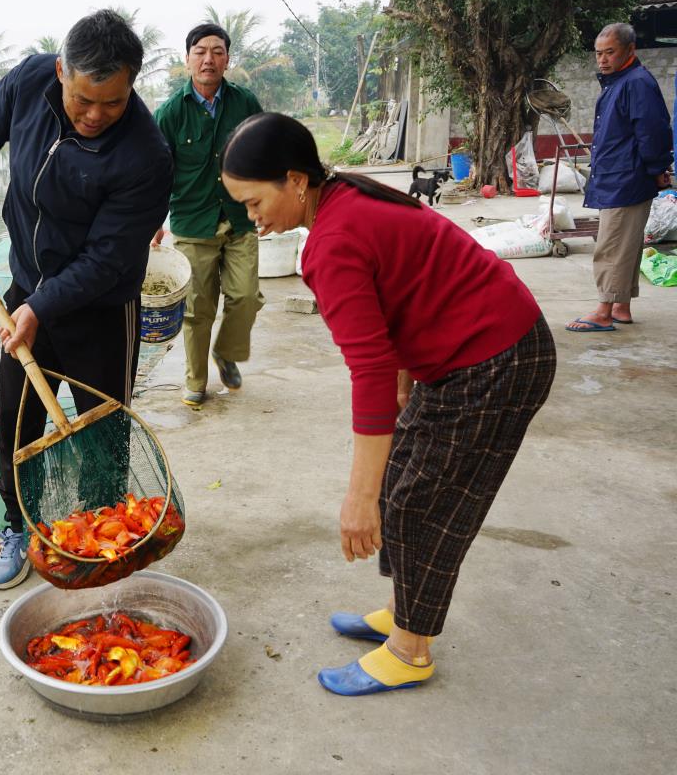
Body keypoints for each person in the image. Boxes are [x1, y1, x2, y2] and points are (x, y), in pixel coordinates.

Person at [221, 113, 556, 696]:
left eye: (253, 203)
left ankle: (410, 650)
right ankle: (405, 611)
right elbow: (402, 287)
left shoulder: (333, 242)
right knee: (405, 480)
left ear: (296, 181)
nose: (252, 220)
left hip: (496, 359)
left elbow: (368, 371)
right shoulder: (344, 193)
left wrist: (358, 498)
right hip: (464, 352)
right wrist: (408, 378)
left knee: (421, 503)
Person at [0, 9, 173, 589]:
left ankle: (97, 536)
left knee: (100, 431)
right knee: (14, 424)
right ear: (62, 72)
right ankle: (18, 525)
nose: (96, 116)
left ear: (131, 86)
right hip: (23, 291)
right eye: (84, 99)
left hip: (99, 308)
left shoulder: (147, 155)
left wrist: (42, 308)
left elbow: (107, 259)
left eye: (113, 103)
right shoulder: (29, 81)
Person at [152, 23, 264, 406]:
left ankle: (227, 353)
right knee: (197, 312)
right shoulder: (169, 114)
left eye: (217, 51)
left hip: (239, 218)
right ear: (187, 60)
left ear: (227, 60)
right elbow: (155, 173)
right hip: (192, 224)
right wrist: (152, 220)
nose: (208, 59)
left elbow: (262, 153)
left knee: (245, 297)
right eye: (200, 51)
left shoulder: (245, 103)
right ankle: (196, 380)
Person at [565, 22, 671, 332]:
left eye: (609, 52)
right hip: (617, 175)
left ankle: (603, 311)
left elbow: (652, 132)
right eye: (599, 53)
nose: (602, 59)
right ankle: (621, 307)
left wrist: (656, 169)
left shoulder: (636, 82)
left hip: (628, 177)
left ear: (630, 50)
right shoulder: (618, 82)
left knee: (611, 246)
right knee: (626, 244)